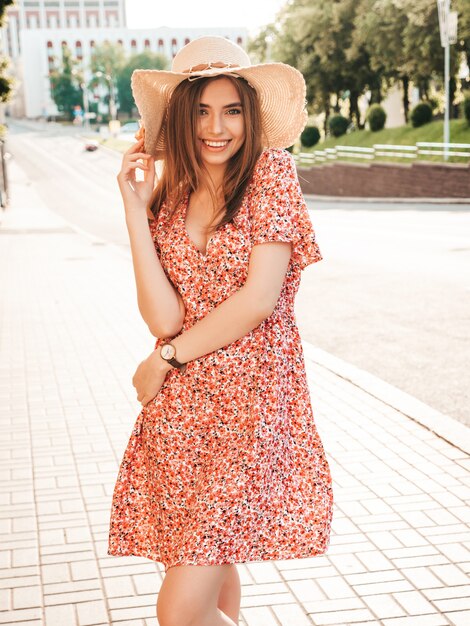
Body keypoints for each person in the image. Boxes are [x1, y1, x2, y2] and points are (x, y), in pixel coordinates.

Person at [107, 36, 334, 626]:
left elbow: (259, 300)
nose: (217, 127)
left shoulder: (271, 173)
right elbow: (163, 318)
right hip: (183, 412)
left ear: (250, 115)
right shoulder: (170, 194)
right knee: (208, 579)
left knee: (179, 612)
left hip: (251, 403)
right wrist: (135, 211)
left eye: (232, 109)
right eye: (202, 110)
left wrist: (166, 360)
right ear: (181, 116)